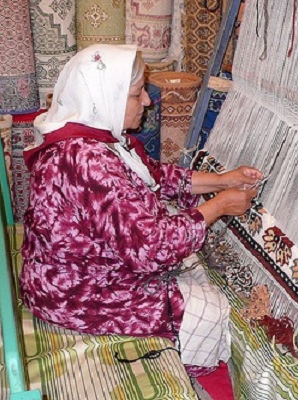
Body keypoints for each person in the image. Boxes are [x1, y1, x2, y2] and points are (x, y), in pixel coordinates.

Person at [20, 44, 262, 376]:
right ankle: (181, 373)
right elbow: (151, 248)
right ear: (106, 97)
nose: (147, 101)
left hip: (70, 275)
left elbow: (153, 175)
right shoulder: (86, 160)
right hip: (76, 293)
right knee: (213, 311)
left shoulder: (89, 138)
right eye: (137, 95)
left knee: (195, 271)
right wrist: (219, 206)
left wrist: (221, 180)